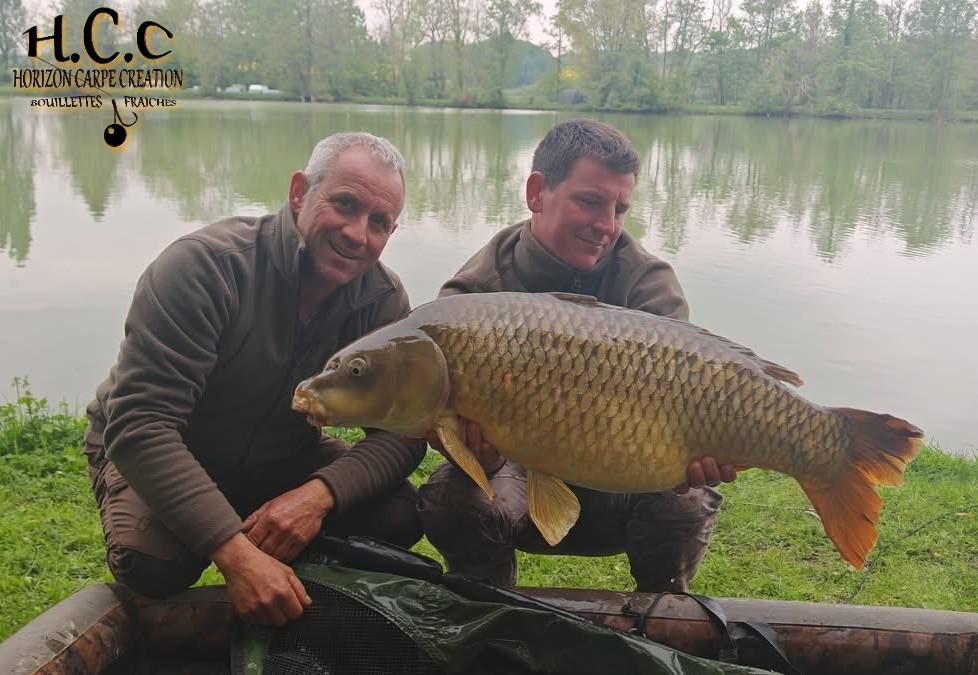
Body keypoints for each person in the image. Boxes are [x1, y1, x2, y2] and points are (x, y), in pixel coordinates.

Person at [83, 132, 426, 625]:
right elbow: (141, 425)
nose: (357, 234)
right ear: (299, 192)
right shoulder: (205, 268)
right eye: (345, 204)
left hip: (282, 454)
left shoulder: (382, 300)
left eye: (379, 222)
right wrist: (237, 557)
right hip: (174, 446)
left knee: (399, 514)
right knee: (153, 563)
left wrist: (316, 497)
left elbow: (403, 431)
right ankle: (252, 556)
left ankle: (286, 564)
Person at [418, 119, 737, 592]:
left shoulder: (648, 286)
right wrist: (478, 456)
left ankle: (661, 615)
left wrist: (692, 458)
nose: (606, 226)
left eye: (620, 209)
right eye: (589, 202)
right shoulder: (472, 299)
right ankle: (488, 611)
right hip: (516, 485)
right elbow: (440, 423)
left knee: (686, 497)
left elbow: (683, 411)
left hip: (621, 483)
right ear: (537, 192)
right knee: (451, 495)